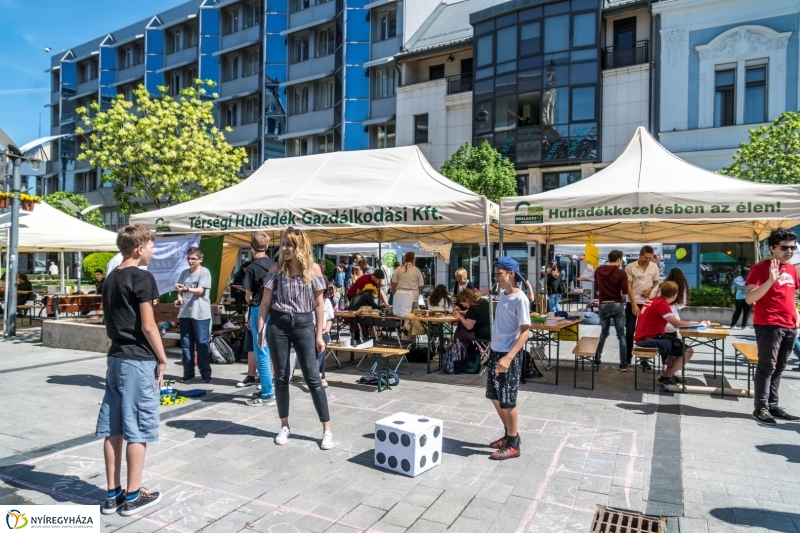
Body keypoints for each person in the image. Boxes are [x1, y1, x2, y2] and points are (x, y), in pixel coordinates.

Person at [95, 225, 166, 516]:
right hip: (138, 360)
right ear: (139, 248)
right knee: (137, 429)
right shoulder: (142, 277)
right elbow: (149, 325)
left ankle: (112, 495)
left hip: (115, 358)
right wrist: (162, 358)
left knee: (114, 429)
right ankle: (133, 496)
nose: (153, 251)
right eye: (151, 246)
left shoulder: (111, 278)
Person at [257, 227, 333, 449]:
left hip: (303, 324)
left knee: (312, 378)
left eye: (289, 244)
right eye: (283, 244)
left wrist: (319, 335)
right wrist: (260, 329)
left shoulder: (314, 269)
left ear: (299, 246)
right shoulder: (276, 269)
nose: (284, 248)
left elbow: (319, 305)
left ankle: (327, 429)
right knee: (280, 377)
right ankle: (284, 425)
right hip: (278, 324)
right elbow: (265, 303)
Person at [745, 228, 800, 426]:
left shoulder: (792, 269)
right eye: (784, 247)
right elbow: (750, 298)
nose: (789, 251)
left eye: (792, 247)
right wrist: (770, 280)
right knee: (767, 366)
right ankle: (760, 407)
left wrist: (796, 315)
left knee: (779, 367)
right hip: (769, 324)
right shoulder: (761, 268)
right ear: (772, 248)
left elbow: (792, 295)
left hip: (790, 325)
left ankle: (773, 404)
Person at [485, 257, 531, 460]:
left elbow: (525, 332)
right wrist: (491, 349)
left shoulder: (520, 299)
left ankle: (513, 444)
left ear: (511, 274)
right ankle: (509, 434)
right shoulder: (503, 294)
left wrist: (509, 357)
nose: (496, 277)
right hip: (497, 350)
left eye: (499, 274)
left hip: (508, 354)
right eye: (495, 273)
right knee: (494, 396)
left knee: (508, 400)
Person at [634, 281, 706, 385]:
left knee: (677, 343)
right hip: (650, 338)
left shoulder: (651, 300)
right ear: (674, 295)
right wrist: (699, 324)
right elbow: (676, 324)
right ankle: (666, 377)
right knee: (688, 351)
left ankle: (670, 373)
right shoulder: (662, 304)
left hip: (644, 336)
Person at [241, 233, 277, 406]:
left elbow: (248, 297)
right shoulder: (275, 264)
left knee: (261, 351)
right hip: (276, 310)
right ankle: (270, 385)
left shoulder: (252, 268)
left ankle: (267, 394)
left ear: (251, 246)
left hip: (258, 309)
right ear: (268, 247)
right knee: (271, 350)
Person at [175, 247, 213, 384]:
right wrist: (179, 299)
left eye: (193, 259)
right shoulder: (184, 273)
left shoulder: (205, 272)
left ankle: (205, 374)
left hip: (200, 314)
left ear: (200, 259)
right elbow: (179, 291)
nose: (190, 261)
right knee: (186, 345)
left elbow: (200, 290)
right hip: (185, 314)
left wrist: (186, 289)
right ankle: (188, 373)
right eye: (188, 258)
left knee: (202, 344)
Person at [593, 250, 632, 370]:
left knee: (603, 333)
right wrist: (618, 293)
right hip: (617, 304)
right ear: (619, 259)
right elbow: (625, 292)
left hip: (603, 304)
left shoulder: (598, 271)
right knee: (621, 335)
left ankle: (597, 359)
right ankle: (623, 364)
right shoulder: (621, 273)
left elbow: (597, 289)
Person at [625, 246, 660, 369]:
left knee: (645, 333)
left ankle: (644, 359)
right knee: (629, 332)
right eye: (645, 257)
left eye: (650, 258)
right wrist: (633, 303)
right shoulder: (630, 267)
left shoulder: (654, 267)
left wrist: (650, 288)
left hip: (647, 304)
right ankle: (627, 359)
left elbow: (656, 281)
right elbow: (628, 286)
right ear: (640, 255)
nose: (647, 260)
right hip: (632, 302)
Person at [391, 252, 424, 317]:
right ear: (413, 259)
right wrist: (418, 293)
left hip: (400, 297)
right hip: (413, 296)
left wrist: (395, 295)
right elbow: (420, 286)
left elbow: (393, 285)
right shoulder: (417, 270)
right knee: (413, 318)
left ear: (405, 258)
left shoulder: (398, 269)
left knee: (399, 317)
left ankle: (402, 327)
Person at [317, 286, 335, 388]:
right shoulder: (310, 299)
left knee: (322, 342)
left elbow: (330, 319)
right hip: (311, 331)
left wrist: (326, 330)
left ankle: (320, 375)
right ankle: (319, 375)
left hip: (323, 332)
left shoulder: (326, 301)